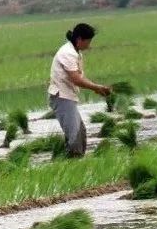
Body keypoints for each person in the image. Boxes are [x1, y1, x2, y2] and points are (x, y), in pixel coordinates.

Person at [48, 23, 112, 157]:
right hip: (62, 97)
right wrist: (97, 87)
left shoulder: (75, 52)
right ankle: (73, 162)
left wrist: (96, 89)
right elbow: (76, 79)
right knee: (75, 135)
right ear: (79, 40)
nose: (89, 45)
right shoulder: (67, 53)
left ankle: (75, 160)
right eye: (88, 41)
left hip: (68, 96)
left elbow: (80, 78)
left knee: (80, 132)